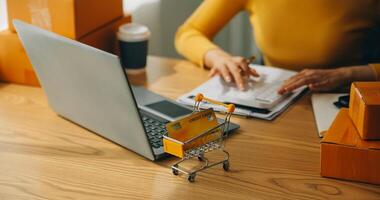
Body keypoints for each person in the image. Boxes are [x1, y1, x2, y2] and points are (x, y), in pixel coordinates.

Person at [175, 0, 380, 93]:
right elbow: (188, 32)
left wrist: (348, 74)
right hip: (275, 99)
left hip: (347, 100)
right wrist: (218, 58)